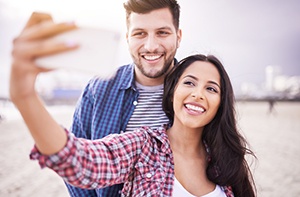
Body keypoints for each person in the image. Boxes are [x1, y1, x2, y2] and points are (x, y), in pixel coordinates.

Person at [10, 53, 256, 196]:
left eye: (211, 88)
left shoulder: (227, 159)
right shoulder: (143, 145)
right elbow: (82, 160)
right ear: (172, 93)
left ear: (220, 102)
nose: (198, 94)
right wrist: (25, 97)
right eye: (189, 83)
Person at [11, 0, 182, 196]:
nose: (151, 46)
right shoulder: (99, 89)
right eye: (139, 33)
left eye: (162, 32)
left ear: (178, 36)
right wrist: (24, 95)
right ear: (127, 38)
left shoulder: (197, 94)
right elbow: (76, 162)